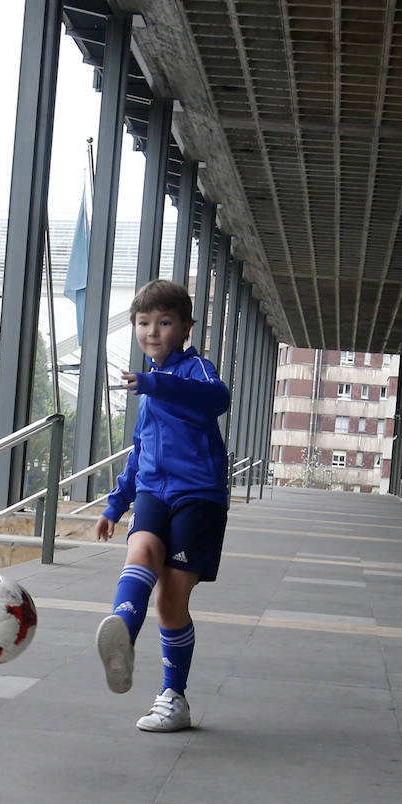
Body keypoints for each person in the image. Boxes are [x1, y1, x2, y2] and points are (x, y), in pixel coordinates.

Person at [94, 278, 230, 733]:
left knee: (171, 599)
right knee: (141, 553)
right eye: (143, 322)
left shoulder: (196, 371)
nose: (152, 331)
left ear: (185, 328)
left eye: (164, 322)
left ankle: (174, 697)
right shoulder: (148, 390)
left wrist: (158, 383)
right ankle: (122, 640)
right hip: (154, 491)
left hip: (199, 496)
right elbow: (140, 449)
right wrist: (116, 505)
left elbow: (218, 398)